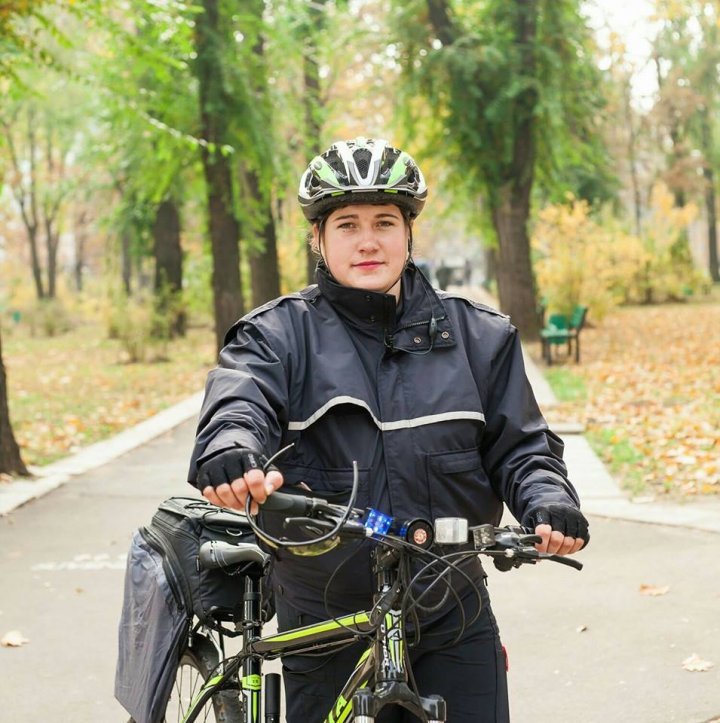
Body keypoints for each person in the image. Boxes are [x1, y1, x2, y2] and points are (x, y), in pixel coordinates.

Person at [188, 137, 589, 722]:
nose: (368, 240)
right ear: (319, 240)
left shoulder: (481, 338)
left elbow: (523, 449)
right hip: (325, 615)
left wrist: (547, 500)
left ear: (409, 233)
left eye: (384, 221)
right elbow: (238, 402)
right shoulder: (276, 336)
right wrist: (232, 450)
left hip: (452, 605)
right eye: (347, 224)